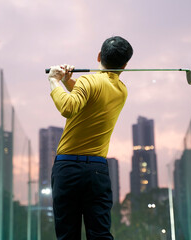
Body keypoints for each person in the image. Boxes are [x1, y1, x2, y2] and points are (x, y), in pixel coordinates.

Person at [47, 36, 133, 240]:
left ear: (98, 56)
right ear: (125, 65)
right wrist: (68, 81)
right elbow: (90, 96)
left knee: (68, 234)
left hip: (67, 169)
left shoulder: (88, 81)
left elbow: (69, 107)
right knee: (100, 235)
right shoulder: (121, 91)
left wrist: (54, 81)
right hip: (97, 171)